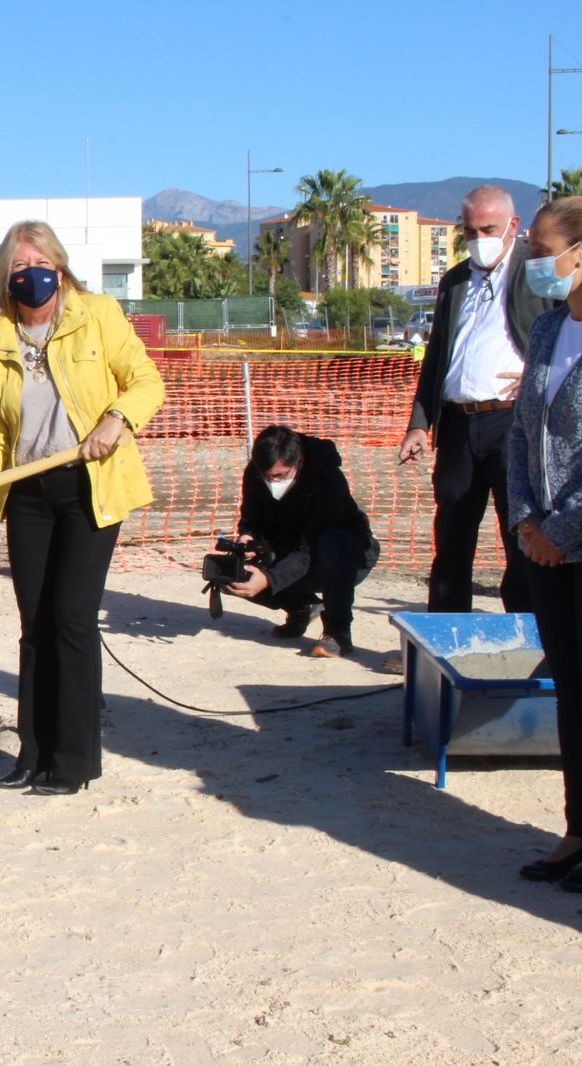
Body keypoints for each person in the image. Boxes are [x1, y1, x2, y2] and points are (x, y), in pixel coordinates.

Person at [0, 220, 164, 796]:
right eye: (20, 265)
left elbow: (146, 382)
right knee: (35, 625)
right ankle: (31, 755)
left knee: (72, 621)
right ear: (6, 277)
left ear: (59, 266)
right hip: (28, 492)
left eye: (42, 261)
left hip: (89, 486)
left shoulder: (97, 315)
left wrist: (116, 419)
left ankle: (74, 761)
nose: (32, 273)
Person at [399, 185, 549, 614]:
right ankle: (444, 635)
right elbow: (438, 357)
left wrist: (538, 377)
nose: (478, 238)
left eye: (488, 228)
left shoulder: (536, 275)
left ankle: (527, 635)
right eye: (469, 230)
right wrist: (418, 423)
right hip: (459, 426)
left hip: (514, 424)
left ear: (513, 226)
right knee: (451, 537)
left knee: (519, 535)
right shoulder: (455, 280)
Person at [507, 195, 582, 889]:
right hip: (546, 546)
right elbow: (522, 432)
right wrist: (527, 520)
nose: (532, 262)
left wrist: (561, 529)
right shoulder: (548, 329)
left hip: (574, 538)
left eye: (541, 249)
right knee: (572, 695)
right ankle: (575, 830)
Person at [219, 425, 380, 658]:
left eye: (279, 476)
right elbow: (250, 518)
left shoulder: (327, 478)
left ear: (299, 462)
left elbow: (309, 547)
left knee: (334, 542)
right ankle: (301, 606)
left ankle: (337, 632)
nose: (270, 481)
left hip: (344, 558)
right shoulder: (255, 472)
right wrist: (248, 538)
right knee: (230, 574)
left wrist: (269, 578)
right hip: (289, 551)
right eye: (265, 476)